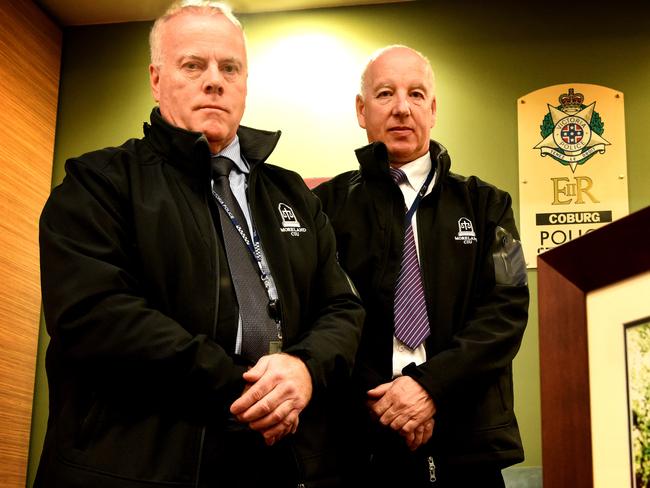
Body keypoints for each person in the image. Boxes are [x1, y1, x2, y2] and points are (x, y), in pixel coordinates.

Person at [35, 2, 364, 487]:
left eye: (229, 67)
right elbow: (97, 315)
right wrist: (250, 388)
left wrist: (304, 369)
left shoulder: (293, 193)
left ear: (245, 84)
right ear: (156, 78)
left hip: (276, 462)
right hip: (136, 464)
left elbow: (342, 307)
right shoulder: (98, 183)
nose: (214, 80)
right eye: (193, 65)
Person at [314, 45, 529, 487]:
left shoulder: (489, 205)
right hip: (359, 440)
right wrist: (387, 400)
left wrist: (430, 386)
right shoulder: (323, 208)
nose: (401, 109)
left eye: (415, 94)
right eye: (385, 94)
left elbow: (506, 310)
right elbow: (319, 315)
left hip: (467, 439)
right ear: (361, 109)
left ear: (433, 108)